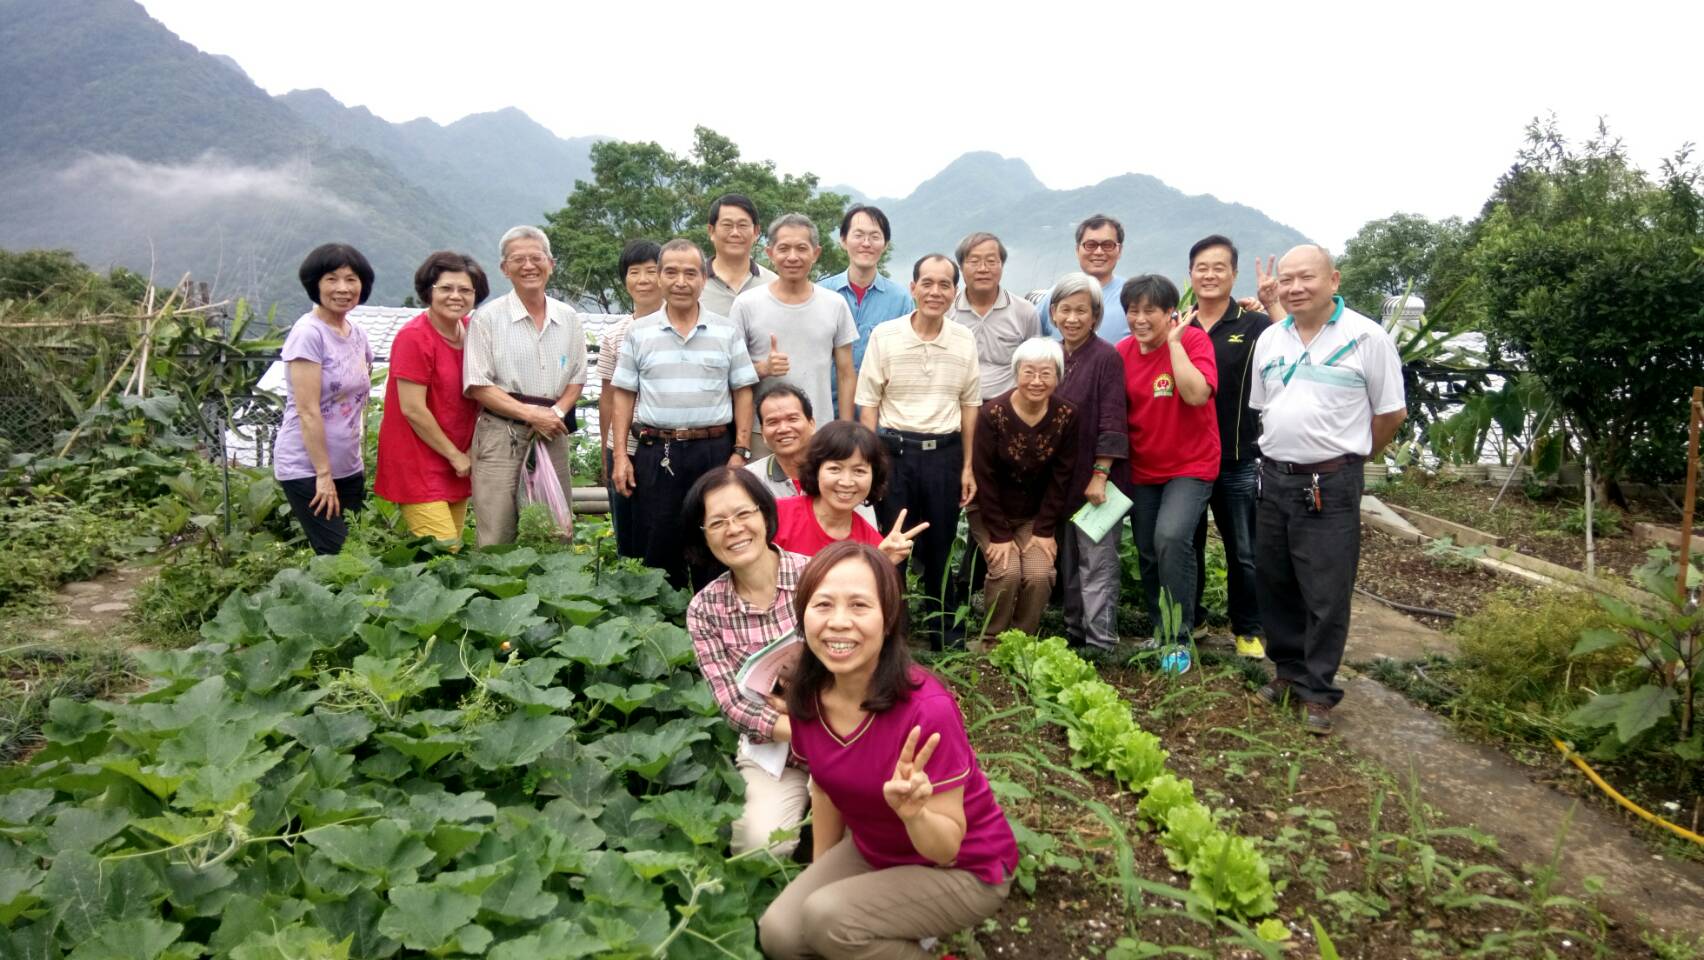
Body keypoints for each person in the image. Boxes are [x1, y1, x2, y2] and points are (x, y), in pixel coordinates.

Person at [758, 541, 1017, 960]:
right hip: (877, 850)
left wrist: (916, 814)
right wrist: (820, 873)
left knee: (829, 919)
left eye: (859, 605)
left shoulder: (926, 710)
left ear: (889, 617)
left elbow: (947, 847)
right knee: (781, 934)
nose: (838, 623)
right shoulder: (807, 697)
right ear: (803, 615)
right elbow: (824, 789)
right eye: (822, 605)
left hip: (964, 867)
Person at [1249, 244, 1406, 735]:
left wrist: (1351, 457)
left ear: (1333, 280)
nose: (1295, 288)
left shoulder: (1367, 337)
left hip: (1330, 482)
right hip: (1274, 477)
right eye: (1287, 279)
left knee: (1326, 590)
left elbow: (1391, 414)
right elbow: (1265, 407)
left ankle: (1318, 690)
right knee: (1275, 582)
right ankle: (1287, 672)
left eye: (1307, 277)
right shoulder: (1271, 339)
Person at [609, 238, 759, 588]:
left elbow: (743, 391)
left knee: (717, 539)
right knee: (658, 545)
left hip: (713, 451)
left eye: (690, 273)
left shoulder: (726, 330)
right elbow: (624, 395)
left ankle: (716, 612)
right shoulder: (638, 332)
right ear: (660, 277)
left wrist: (740, 451)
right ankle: (663, 615)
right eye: (671, 272)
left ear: (703, 279)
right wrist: (620, 456)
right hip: (656, 452)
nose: (681, 282)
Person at [682, 468, 810, 857]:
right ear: (703, 535)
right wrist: (808, 734)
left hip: (848, 733)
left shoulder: (815, 574)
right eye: (717, 522)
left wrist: (832, 729)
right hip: (775, 750)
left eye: (743, 514)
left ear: (764, 514)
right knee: (759, 848)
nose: (734, 529)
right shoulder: (705, 608)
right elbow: (733, 706)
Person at [856, 254, 982, 649]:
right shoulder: (885, 335)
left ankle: (945, 633)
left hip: (944, 455)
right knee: (893, 546)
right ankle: (891, 633)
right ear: (913, 288)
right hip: (894, 454)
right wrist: (869, 464)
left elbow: (970, 404)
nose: (935, 292)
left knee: (942, 545)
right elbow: (869, 404)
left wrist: (968, 466)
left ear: (955, 292)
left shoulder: (963, 338)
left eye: (945, 284)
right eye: (927, 283)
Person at [1117, 275, 1220, 669]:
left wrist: (1175, 344)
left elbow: (1196, 395)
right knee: (1147, 550)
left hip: (1191, 465)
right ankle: (1160, 629)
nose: (1140, 319)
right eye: (1133, 310)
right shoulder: (1122, 352)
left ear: (1170, 313)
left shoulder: (1193, 342)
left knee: (1172, 538)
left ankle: (1179, 638)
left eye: (1150, 311)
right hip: (1144, 467)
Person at [463, 225, 587, 547]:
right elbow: (478, 384)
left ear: (551, 264)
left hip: (552, 432)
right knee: (497, 531)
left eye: (536, 258)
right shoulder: (487, 318)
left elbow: (577, 377)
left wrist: (554, 414)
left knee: (554, 529)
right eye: (518, 259)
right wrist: (531, 415)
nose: (529, 266)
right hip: (500, 433)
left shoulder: (568, 317)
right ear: (505, 268)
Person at [1183, 235, 1273, 658]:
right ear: (1190, 274)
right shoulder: (1179, 326)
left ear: (1234, 274)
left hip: (1237, 457)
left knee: (1244, 550)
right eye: (1202, 267)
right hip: (1188, 459)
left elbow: (1292, 347)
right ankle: (1194, 619)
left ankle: (1247, 628)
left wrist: (1272, 304)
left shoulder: (1254, 325)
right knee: (1188, 545)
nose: (1210, 275)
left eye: (1219, 267)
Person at [374, 251, 488, 546]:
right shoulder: (414, 337)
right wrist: (455, 455)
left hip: (458, 461)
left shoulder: (472, 332)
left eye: (465, 290)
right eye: (446, 288)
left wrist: (466, 453)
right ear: (429, 291)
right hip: (419, 461)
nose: (456, 296)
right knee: (445, 551)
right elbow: (412, 409)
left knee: (451, 551)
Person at [969, 339, 1077, 643]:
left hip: (1034, 516)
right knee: (1007, 572)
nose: (1036, 381)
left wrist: (1044, 530)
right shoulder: (992, 413)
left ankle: (1021, 640)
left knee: (1040, 574)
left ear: (1058, 376)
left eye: (1046, 373)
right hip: (990, 512)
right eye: (1028, 372)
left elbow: (1061, 477)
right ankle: (993, 640)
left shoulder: (1067, 415)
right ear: (1016, 373)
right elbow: (984, 476)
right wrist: (1000, 535)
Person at [274, 243, 375, 555]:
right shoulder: (309, 333)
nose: (343, 288)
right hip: (308, 468)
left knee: (354, 552)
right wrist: (323, 474)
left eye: (351, 279)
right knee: (339, 554)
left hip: (348, 465)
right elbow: (308, 411)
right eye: (332, 279)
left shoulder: (356, 333)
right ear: (315, 284)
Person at [731, 213, 857, 460]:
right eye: (783, 248)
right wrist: (763, 368)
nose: (792, 257)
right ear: (769, 253)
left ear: (816, 253)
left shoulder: (835, 304)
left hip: (818, 431)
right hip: (763, 433)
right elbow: (732, 374)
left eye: (801, 248)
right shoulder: (746, 304)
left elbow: (846, 373)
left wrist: (845, 429)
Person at [1050, 273, 1130, 653]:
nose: (1072, 318)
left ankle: (1101, 642)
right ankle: (1075, 632)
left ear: (1096, 316)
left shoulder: (1106, 357)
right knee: (1068, 563)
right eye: (1065, 309)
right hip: (1061, 482)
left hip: (1097, 481)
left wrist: (1100, 474)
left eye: (1081, 311)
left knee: (1097, 564)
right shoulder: (1051, 355)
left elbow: (1113, 419)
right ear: (1053, 312)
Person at [773, 420, 925, 563]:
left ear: (874, 477)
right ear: (816, 470)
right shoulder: (776, 515)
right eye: (835, 469)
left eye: (859, 471)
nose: (846, 482)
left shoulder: (872, 545)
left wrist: (880, 564)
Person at [596, 240, 663, 557]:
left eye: (652, 271)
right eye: (634, 272)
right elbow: (607, 397)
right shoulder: (615, 334)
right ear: (624, 280)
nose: (643, 280)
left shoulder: (680, 327)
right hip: (625, 448)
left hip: (665, 447)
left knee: (662, 531)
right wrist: (607, 450)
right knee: (627, 532)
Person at [819, 204, 915, 377]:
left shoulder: (901, 300)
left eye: (874, 237)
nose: (866, 243)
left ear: (885, 244)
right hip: (827, 393)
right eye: (858, 235)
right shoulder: (821, 293)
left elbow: (907, 356)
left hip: (879, 394)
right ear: (843, 240)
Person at [950, 232, 1042, 400]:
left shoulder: (1024, 311)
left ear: (1002, 266)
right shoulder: (947, 311)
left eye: (991, 261)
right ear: (961, 267)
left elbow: (1035, 362)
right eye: (974, 261)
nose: (983, 269)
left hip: (1008, 404)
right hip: (957, 402)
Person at [1037, 214, 1128, 344]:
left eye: (1107, 245)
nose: (1099, 252)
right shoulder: (1056, 294)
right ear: (1077, 250)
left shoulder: (1132, 296)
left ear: (1119, 250)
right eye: (1090, 245)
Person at [700, 193, 776, 317]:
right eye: (727, 225)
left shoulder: (773, 285)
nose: (735, 233)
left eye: (742, 225)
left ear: (756, 232)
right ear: (711, 231)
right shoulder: (691, 283)